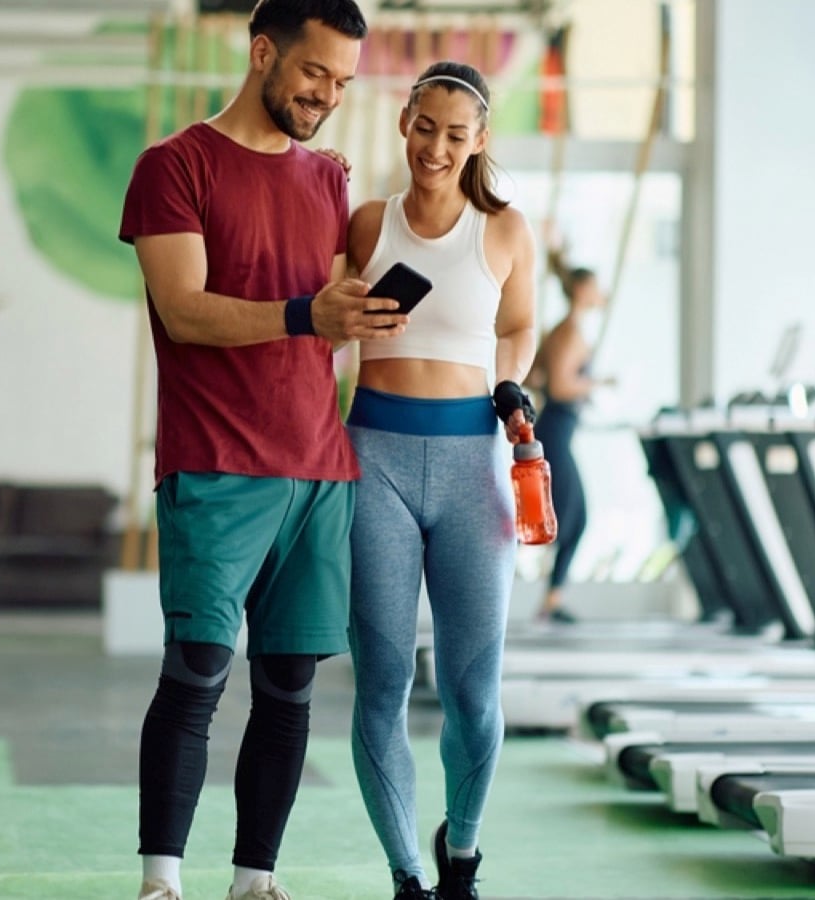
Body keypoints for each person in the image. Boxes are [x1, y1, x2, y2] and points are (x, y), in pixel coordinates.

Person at [116, 2, 409, 898]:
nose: (328, 95)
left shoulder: (327, 180)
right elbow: (185, 310)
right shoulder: (174, 166)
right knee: (197, 671)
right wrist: (306, 315)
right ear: (261, 53)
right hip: (215, 462)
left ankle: (255, 879)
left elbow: (327, 313)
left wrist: (355, 313)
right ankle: (162, 881)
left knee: (288, 687)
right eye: (315, 72)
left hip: (319, 469)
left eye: (343, 82)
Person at [345, 61, 537, 900]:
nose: (435, 147)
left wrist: (512, 382)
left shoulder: (505, 229)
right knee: (382, 683)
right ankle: (407, 876)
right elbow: (322, 328)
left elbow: (519, 325)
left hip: (473, 465)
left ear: (479, 140)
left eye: (456, 134)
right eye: (425, 127)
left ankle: (462, 853)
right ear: (404, 122)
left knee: (472, 690)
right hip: (372, 459)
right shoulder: (365, 223)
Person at [528, 221, 608, 621]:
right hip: (555, 430)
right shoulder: (568, 333)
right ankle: (549, 598)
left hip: (557, 430)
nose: (600, 292)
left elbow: (535, 376)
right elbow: (559, 387)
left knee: (570, 518)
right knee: (565, 516)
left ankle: (552, 599)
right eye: (595, 286)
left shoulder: (566, 331)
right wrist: (598, 383)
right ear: (580, 290)